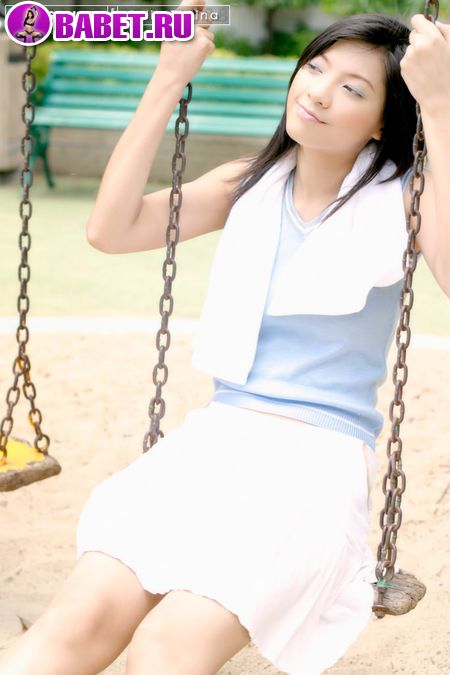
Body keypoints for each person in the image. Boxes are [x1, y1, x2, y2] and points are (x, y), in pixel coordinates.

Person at [2, 4, 450, 675]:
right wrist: (169, 78)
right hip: (214, 444)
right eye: (316, 68)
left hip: (314, 467)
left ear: (384, 122)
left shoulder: (406, 198)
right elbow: (111, 229)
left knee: (163, 648)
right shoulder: (249, 184)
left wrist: (439, 105)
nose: (319, 92)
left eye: (353, 88)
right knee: (76, 622)